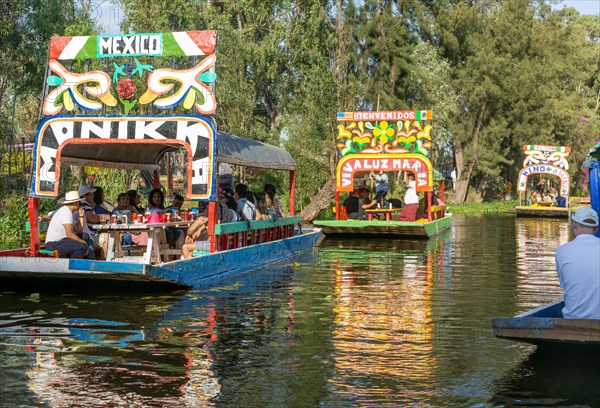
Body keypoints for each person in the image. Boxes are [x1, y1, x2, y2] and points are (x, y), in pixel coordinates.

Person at [554, 207, 600, 319]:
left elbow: (565, 285)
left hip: (572, 320)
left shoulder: (561, 251)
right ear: (596, 228)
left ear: (574, 224)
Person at [44, 191, 90, 259]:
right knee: (82, 246)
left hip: (62, 240)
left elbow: (79, 230)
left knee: (85, 236)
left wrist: (81, 216)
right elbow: (69, 234)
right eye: (78, 202)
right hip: (54, 244)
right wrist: (84, 243)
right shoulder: (66, 212)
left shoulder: (67, 211)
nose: (79, 204)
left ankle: (76, 258)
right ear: (76, 203)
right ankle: (74, 266)